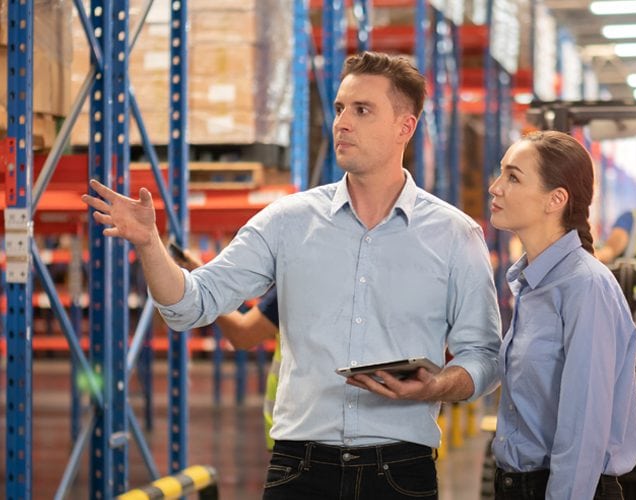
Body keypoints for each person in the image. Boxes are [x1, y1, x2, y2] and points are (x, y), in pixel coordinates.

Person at [82, 51, 502, 500]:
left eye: (362, 110)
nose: (343, 122)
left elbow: (485, 356)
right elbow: (190, 305)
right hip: (299, 468)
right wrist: (149, 244)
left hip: (401, 470)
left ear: (405, 126)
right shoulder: (287, 222)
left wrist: (435, 386)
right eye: (340, 109)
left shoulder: (455, 236)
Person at [488, 131, 636, 499]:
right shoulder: (533, 285)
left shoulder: (584, 287)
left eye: (513, 177)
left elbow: (583, 430)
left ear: (555, 200)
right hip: (516, 486)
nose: (495, 187)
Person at [175, 250, 281, 448]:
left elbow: (243, 333)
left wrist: (203, 288)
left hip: (298, 434)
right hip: (310, 431)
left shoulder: (300, 281)